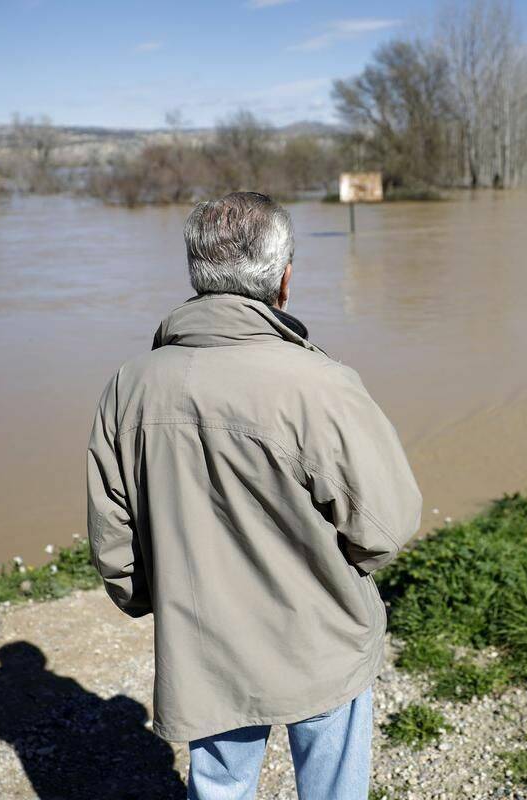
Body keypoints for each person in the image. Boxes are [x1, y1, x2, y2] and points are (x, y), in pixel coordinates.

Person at [86, 191, 423, 800]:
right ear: (285, 278)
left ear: (197, 273)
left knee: (218, 788)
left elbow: (115, 539)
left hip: (204, 643)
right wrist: (353, 574)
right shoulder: (320, 385)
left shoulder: (129, 384)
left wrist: (151, 602)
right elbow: (386, 527)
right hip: (324, 634)